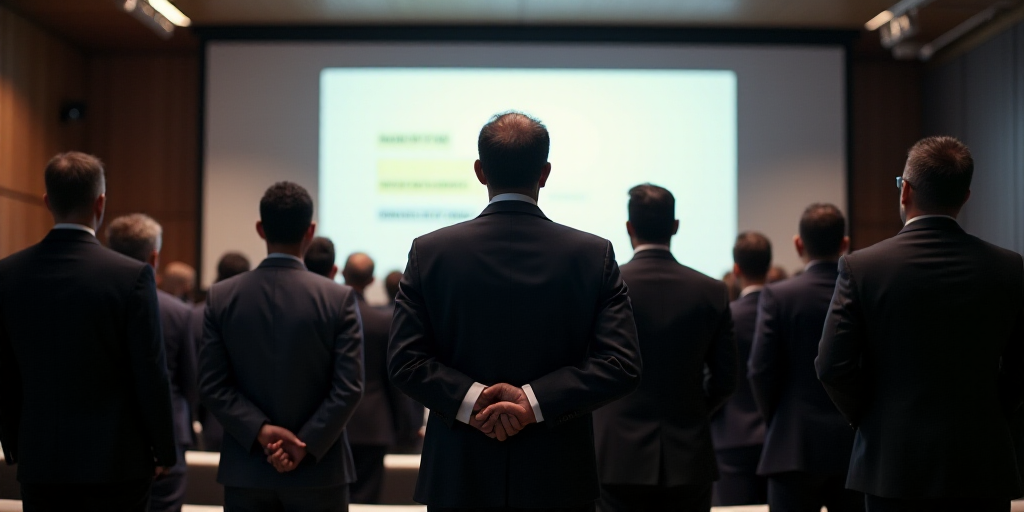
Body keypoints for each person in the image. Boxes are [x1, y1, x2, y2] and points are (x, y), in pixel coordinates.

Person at [388, 111, 642, 511]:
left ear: (479, 171)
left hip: (458, 476)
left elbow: (404, 362)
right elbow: (621, 364)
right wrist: (533, 400)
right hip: (558, 479)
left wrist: (474, 400)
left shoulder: (430, 252)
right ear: (544, 173)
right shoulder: (592, 255)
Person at [816, 136, 1024, 512]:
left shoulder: (863, 267)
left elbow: (832, 366)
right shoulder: (1009, 267)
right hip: (982, 463)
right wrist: (990, 415)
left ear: (905, 191)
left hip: (892, 465)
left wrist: (872, 419)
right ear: (965, 197)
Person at [0, 152, 177, 511]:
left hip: (41, 461)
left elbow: (5, 369)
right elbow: (150, 371)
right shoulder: (131, 276)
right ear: (101, 203)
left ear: (47, 201)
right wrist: (163, 448)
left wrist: (15, 442)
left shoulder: (8, 274)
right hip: (118, 461)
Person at [199, 181, 364, 512]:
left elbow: (213, 386)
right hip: (319, 471)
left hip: (248, 469)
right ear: (310, 230)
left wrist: (261, 432)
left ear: (261, 229)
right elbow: (348, 388)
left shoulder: (221, 297)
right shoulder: (338, 298)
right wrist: (303, 444)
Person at [593, 184, 736, 512]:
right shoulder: (711, 290)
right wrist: (694, 409)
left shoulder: (605, 286)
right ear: (675, 226)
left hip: (616, 455)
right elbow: (726, 379)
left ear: (629, 228)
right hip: (689, 453)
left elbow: (591, 366)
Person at [748, 203, 862, 512]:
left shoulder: (778, 296)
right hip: (853, 446)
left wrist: (778, 419)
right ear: (845, 243)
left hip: (792, 445)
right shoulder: (863, 292)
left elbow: (760, 370)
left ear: (799, 243)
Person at [107, 213, 197, 512]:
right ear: (154, 257)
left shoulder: (94, 302)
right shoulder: (177, 312)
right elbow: (189, 382)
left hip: (107, 438)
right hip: (169, 438)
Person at [710, 231, 772, 506]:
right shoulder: (785, 311)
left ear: (736, 270)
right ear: (769, 268)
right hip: (778, 437)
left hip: (730, 437)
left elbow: (712, 375)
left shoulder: (726, 315)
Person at [191, 251, 251, 452]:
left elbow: (191, 371)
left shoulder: (195, 316)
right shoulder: (258, 317)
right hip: (253, 424)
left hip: (209, 421)